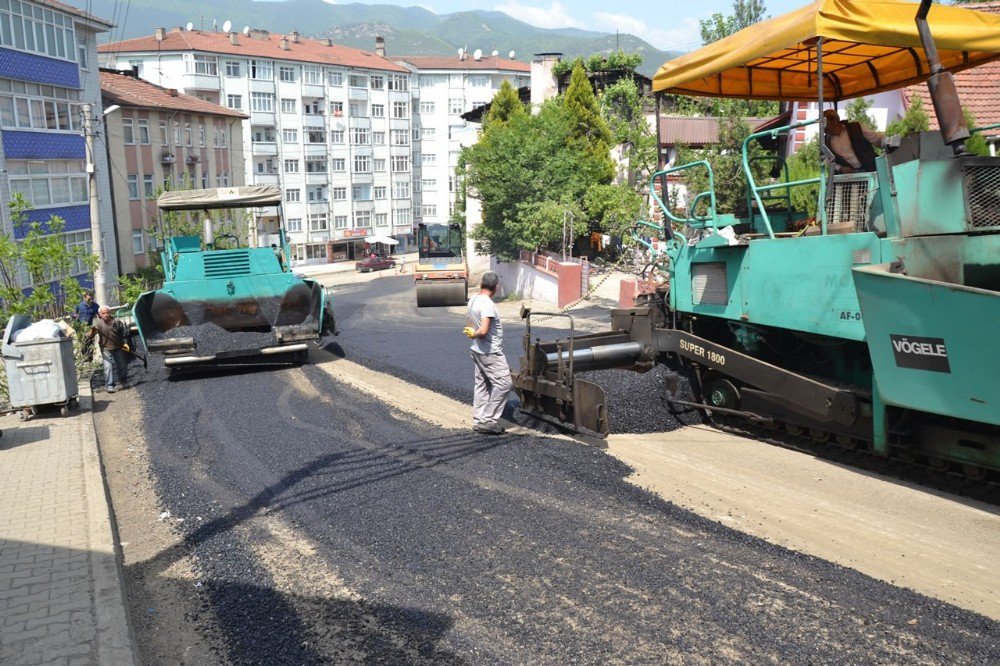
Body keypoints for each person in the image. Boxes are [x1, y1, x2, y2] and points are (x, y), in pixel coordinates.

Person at [463, 272, 512, 435]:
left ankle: (479, 418)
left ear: (482, 284)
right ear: (496, 288)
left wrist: (472, 333)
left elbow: (470, 324)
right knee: (504, 384)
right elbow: (483, 330)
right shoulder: (487, 304)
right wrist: (476, 333)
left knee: (482, 384)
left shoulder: (473, 300)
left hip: (476, 349)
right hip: (489, 351)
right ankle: (488, 420)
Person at [823, 109, 888, 173]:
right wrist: (840, 168)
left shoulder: (855, 127)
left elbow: (876, 138)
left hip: (871, 169)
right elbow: (827, 160)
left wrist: (888, 142)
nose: (823, 127)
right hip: (849, 176)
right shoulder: (825, 141)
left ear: (834, 121)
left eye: (824, 122)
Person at [87, 306, 130, 393]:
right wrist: (92, 332)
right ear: (100, 314)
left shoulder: (116, 321)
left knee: (122, 366)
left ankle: (123, 381)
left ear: (110, 313)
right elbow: (89, 336)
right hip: (105, 348)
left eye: (107, 313)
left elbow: (123, 333)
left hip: (118, 347)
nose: (106, 315)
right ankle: (110, 385)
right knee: (108, 367)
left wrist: (125, 343)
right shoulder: (98, 324)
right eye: (103, 313)